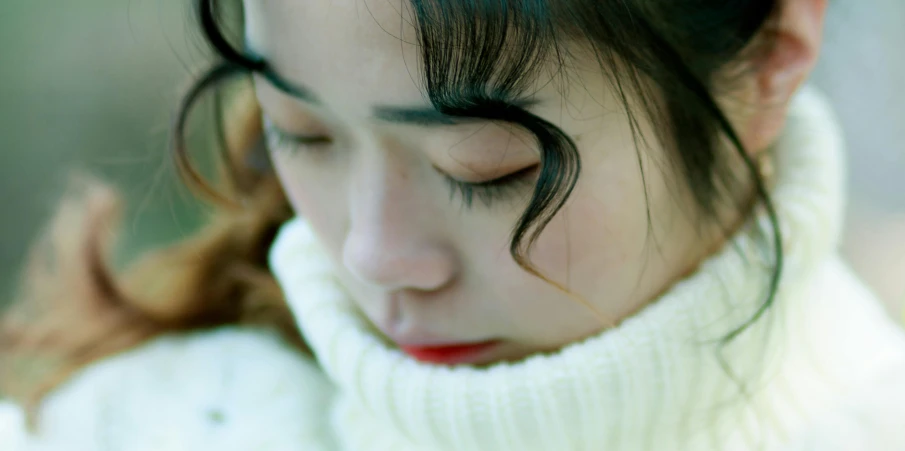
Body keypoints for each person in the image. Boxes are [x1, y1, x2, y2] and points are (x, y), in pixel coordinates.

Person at [1, 0, 904, 449]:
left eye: (487, 170)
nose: (372, 255)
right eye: (304, 135)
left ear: (769, 65)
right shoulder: (146, 422)